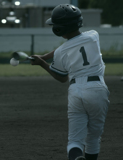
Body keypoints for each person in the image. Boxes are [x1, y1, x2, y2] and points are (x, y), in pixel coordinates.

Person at [30, 4, 110, 160]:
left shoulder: (61, 52)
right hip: (97, 88)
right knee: (93, 138)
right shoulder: (93, 36)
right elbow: (74, 44)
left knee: (74, 140)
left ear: (58, 29)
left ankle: (76, 157)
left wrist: (43, 64)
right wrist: (44, 56)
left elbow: (62, 78)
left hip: (75, 91)